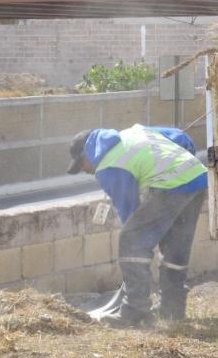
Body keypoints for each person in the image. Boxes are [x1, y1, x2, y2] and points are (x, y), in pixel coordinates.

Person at [67, 124, 209, 327]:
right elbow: (181, 138)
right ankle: (172, 309)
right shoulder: (135, 132)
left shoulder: (108, 166)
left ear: (88, 153)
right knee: (175, 248)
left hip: (171, 186)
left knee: (131, 240)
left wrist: (135, 254)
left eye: (81, 164)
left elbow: (129, 213)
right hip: (197, 177)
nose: (84, 170)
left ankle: (135, 309)